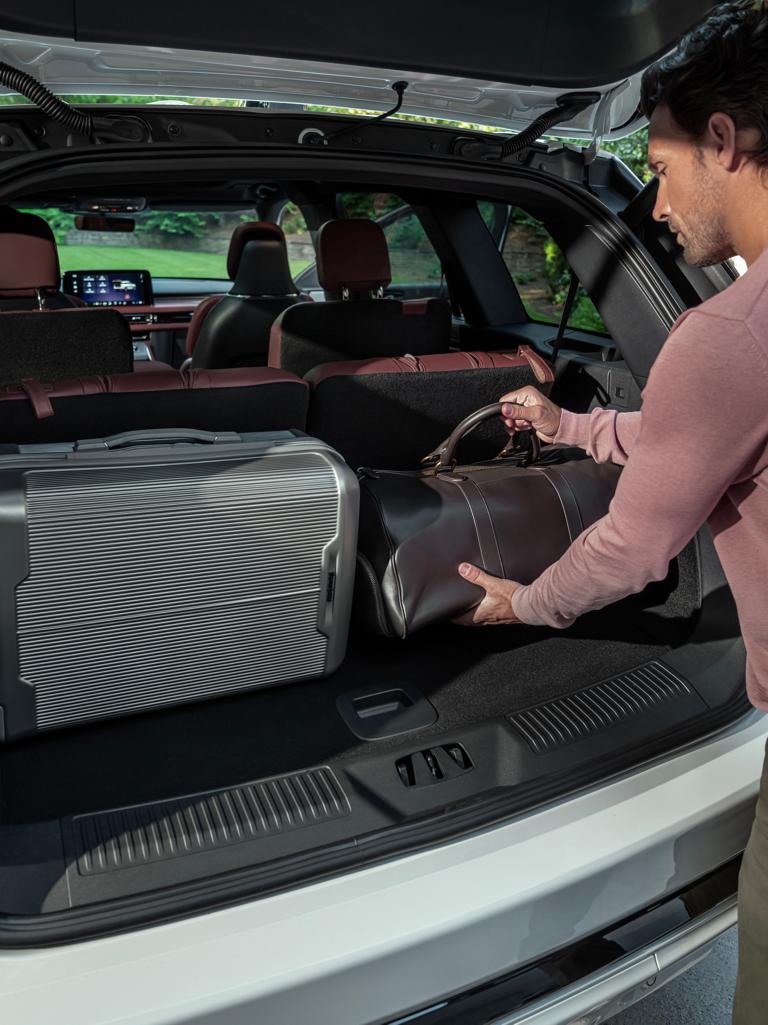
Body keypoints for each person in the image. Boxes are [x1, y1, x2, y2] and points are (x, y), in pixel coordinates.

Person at [453, 3, 768, 1021]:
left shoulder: (734, 330)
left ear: (723, 139)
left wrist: (525, 608)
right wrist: (569, 424)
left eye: (661, 164)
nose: (655, 205)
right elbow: (709, 437)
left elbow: (635, 544)